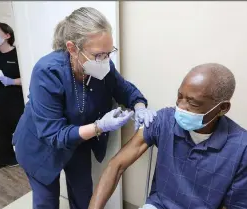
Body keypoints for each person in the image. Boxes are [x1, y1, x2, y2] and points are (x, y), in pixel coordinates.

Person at [12, 7, 156, 209]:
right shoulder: (48, 71)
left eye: (109, 53)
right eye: (98, 54)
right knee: (46, 202)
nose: (105, 60)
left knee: (84, 198)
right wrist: (99, 126)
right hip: (41, 146)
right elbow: (52, 134)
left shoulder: (103, 66)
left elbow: (127, 91)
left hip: (77, 143)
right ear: (72, 48)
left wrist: (140, 108)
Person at [88, 63, 247, 209]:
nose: (181, 107)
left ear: (222, 109)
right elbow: (116, 165)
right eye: (179, 97)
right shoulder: (165, 120)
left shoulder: (244, 148)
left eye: (192, 103)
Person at [0, 22, 24, 169]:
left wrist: (12, 81)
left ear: (7, 35)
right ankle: (5, 158)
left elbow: (28, 76)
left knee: (21, 127)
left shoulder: (18, 54)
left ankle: (26, 157)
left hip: (16, 97)